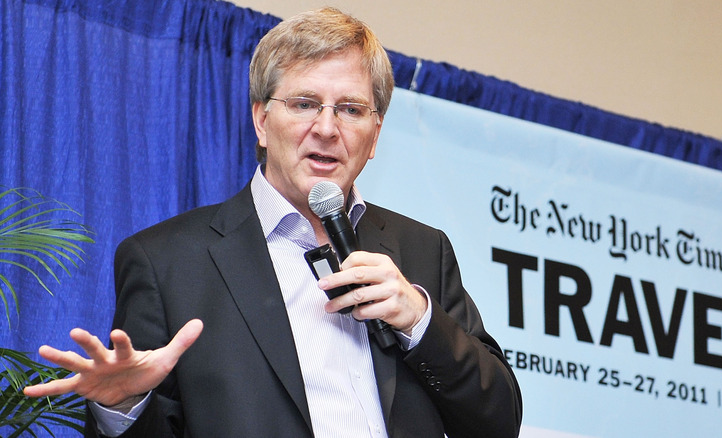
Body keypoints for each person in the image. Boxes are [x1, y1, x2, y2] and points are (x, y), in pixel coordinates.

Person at [24, 7, 522, 438]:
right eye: (305, 104)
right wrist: (121, 408)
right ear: (261, 121)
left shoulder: (421, 249)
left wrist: (419, 319)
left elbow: (499, 418)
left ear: (374, 137)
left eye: (350, 109)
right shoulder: (168, 262)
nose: (326, 128)